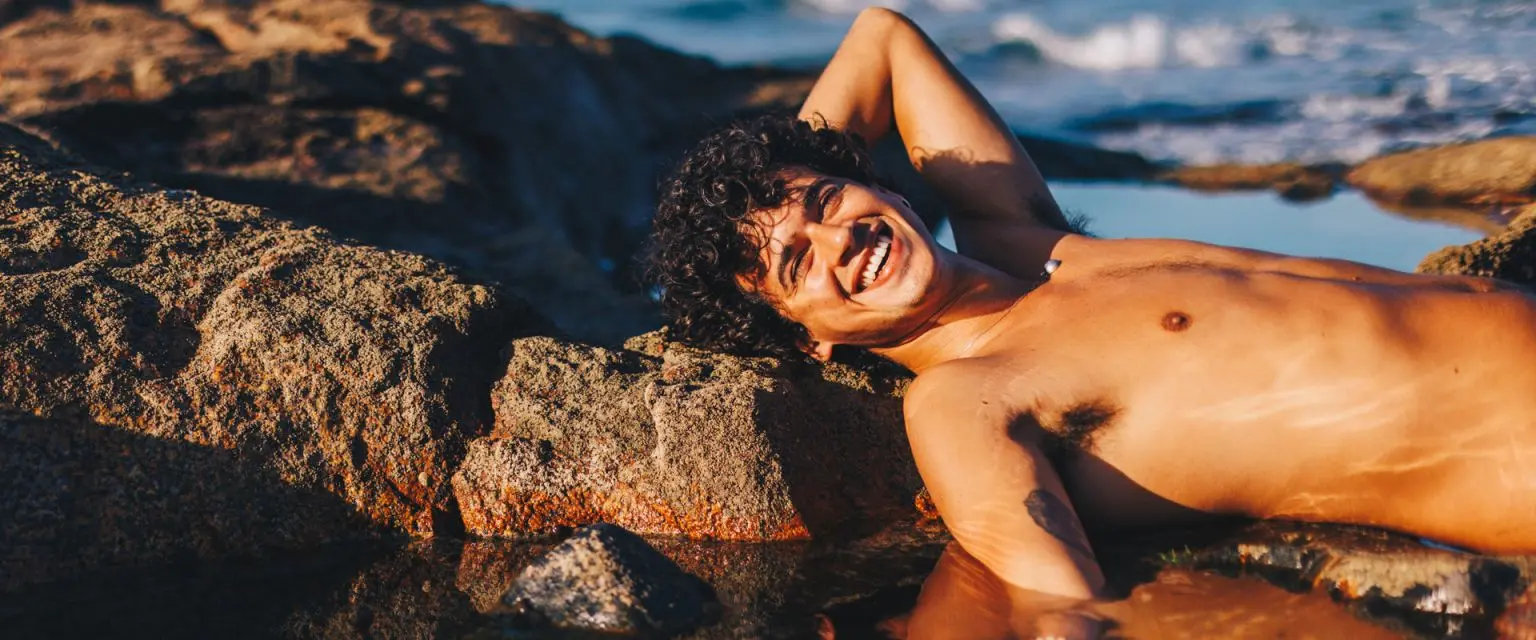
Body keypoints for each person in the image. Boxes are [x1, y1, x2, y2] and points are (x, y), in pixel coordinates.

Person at [647, 6, 1536, 637]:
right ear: (807, 336)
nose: (841, 242)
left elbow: (882, 37)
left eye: (831, 202)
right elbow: (1062, 605)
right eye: (799, 264)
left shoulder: (1031, 245)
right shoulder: (965, 400)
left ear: (874, 180)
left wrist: (774, 183)